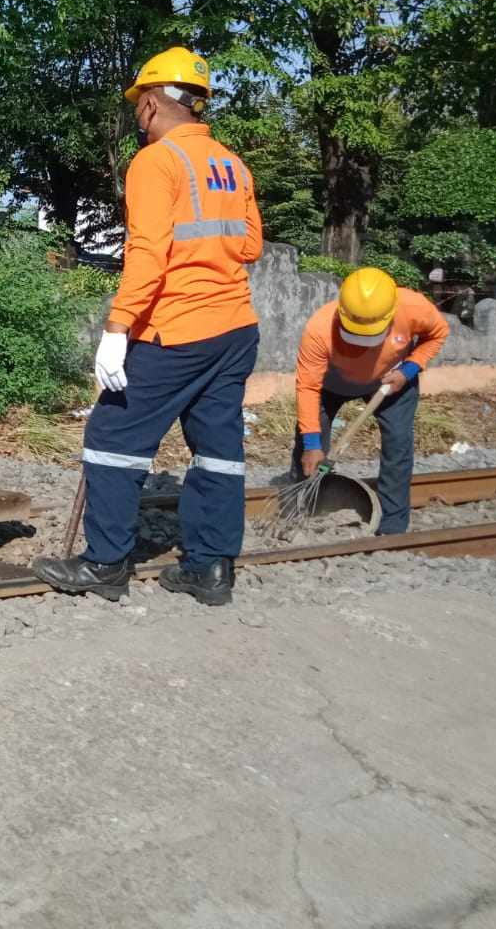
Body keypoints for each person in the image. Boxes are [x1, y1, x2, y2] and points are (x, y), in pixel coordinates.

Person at [33, 46, 263, 607]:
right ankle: (210, 570)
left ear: (156, 102)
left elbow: (147, 252)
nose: (137, 113)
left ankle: (105, 562)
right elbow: (251, 245)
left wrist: (118, 328)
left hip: (177, 328)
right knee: (217, 448)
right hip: (235, 327)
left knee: (112, 438)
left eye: (139, 103)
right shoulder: (232, 163)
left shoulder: (155, 162)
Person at [293, 267, 450, 535]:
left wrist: (409, 369)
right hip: (333, 382)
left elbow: (437, 334)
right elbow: (308, 386)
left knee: (398, 445)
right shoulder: (319, 329)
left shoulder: (413, 307)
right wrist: (311, 442)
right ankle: (304, 509)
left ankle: (392, 525)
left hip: (392, 380)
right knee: (310, 447)